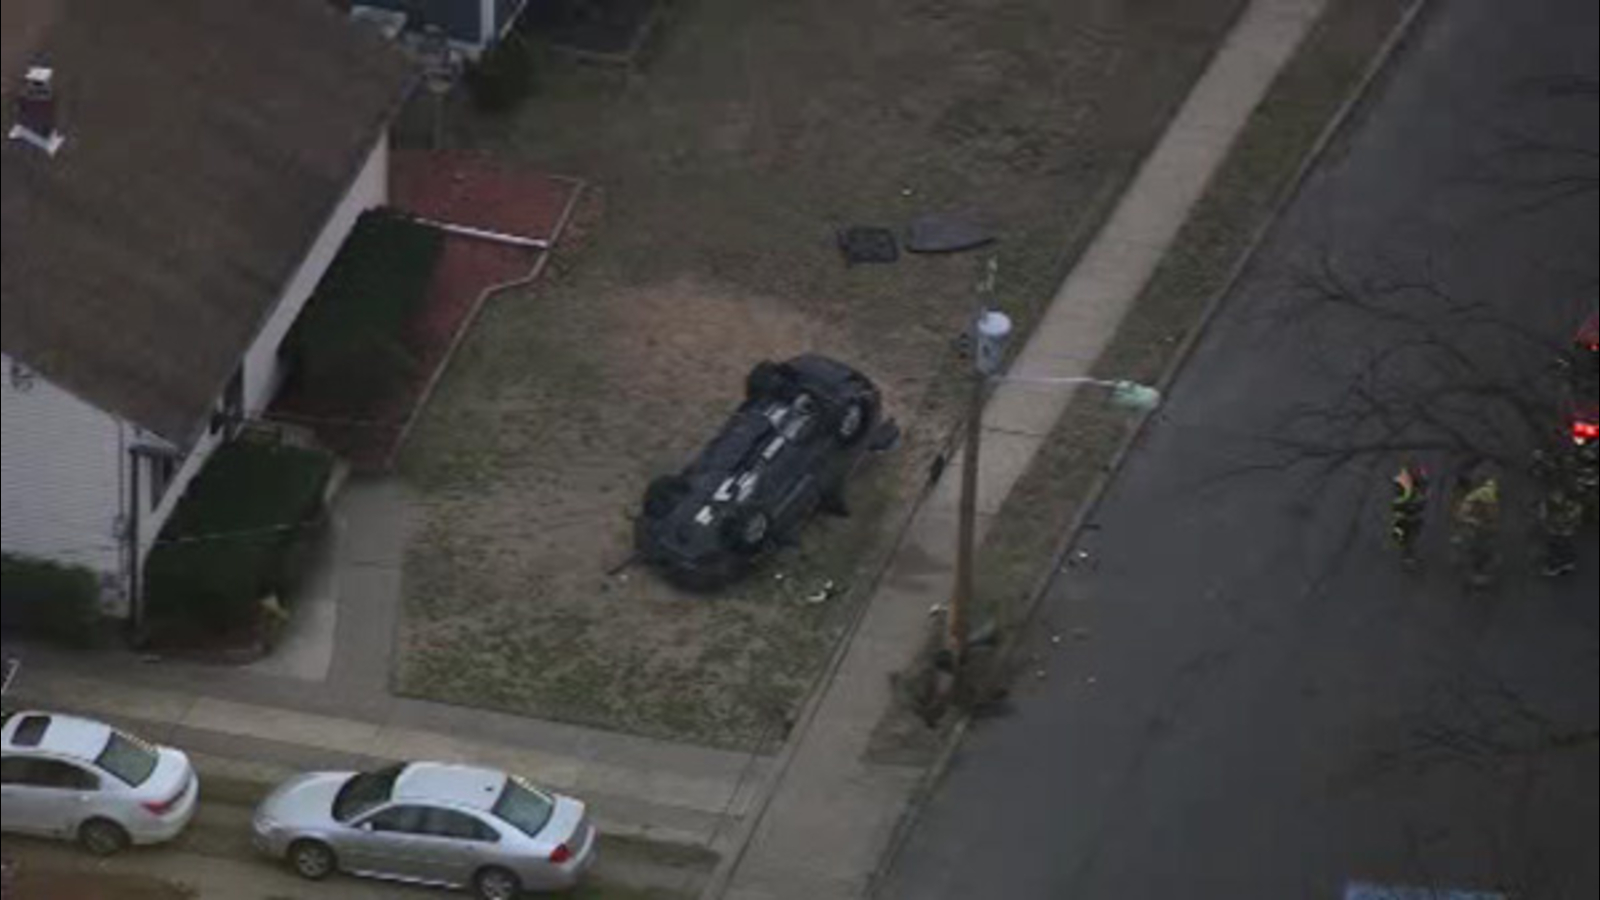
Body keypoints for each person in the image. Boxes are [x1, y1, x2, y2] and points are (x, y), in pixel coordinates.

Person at [1452, 469, 1501, 585]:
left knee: (1482, 550)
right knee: (1474, 549)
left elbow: (1492, 517)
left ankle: (1479, 571)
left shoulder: (1483, 498)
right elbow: (1460, 516)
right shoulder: (1469, 502)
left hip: (1480, 534)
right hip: (1474, 533)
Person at [1538, 486, 1583, 577]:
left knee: (1559, 546)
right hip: (1558, 528)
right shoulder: (1549, 503)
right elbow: (1543, 515)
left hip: (1562, 528)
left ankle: (1558, 565)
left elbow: (1575, 516)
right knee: (1561, 545)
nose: (1555, 497)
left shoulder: (1571, 505)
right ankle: (1567, 562)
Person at [1390, 463, 1429, 566]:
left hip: (1413, 514)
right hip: (1405, 515)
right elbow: (1398, 503)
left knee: (1413, 534)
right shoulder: (1403, 486)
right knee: (1407, 536)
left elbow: (1423, 498)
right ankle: (1407, 556)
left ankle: (1408, 554)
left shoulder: (1419, 484)